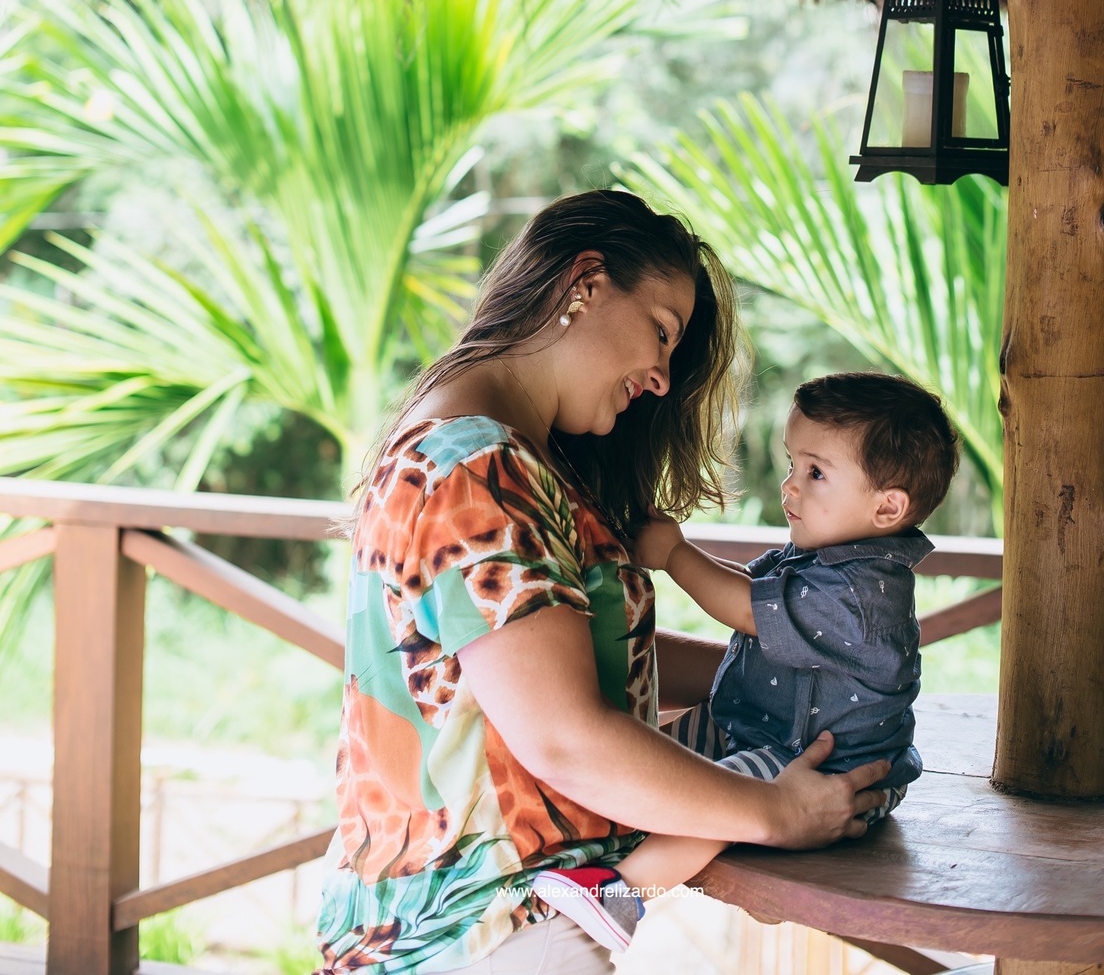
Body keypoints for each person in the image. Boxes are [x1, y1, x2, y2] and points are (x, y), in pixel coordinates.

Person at [317, 192, 892, 973]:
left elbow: (586, 663)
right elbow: (564, 737)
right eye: (661, 331)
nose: (660, 377)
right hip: (487, 934)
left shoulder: (508, 454)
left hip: (518, 921)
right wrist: (774, 811)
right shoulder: (475, 467)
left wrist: (801, 667)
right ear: (585, 283)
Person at [533, 372, 959, 953]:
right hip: (763, 724)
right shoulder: (831, 556)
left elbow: (746, 609)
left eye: (815, 472)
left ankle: (622, 894)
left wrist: (677, 556)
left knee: (721, 797)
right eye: (792, 463)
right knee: (658, 751)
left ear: (888, 506)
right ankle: (601, 845)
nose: (789, 487)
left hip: (823, 769)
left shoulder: (864, 593)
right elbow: (753, 588)